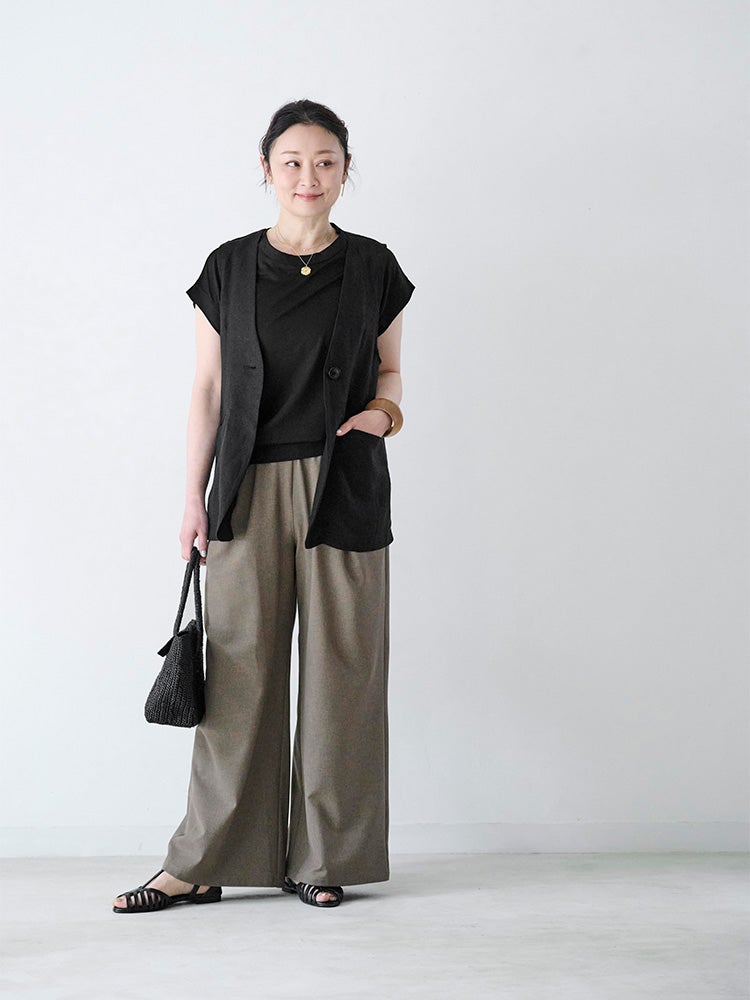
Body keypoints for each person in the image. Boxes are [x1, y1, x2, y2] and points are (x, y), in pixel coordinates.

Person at [113, 99, 415, 913]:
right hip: (246, 492)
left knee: (344, 673)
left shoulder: (375, 266)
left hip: (344, 486)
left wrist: (383, 415)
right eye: (292, 161)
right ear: (266, 169)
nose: (308, 176)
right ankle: (204, 861)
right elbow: (208, 389)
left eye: (325, 161)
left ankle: (324, 858)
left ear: (345, 170)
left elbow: (390, 373)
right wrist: (192, 497)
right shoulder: (229, 267)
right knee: (239, 675)